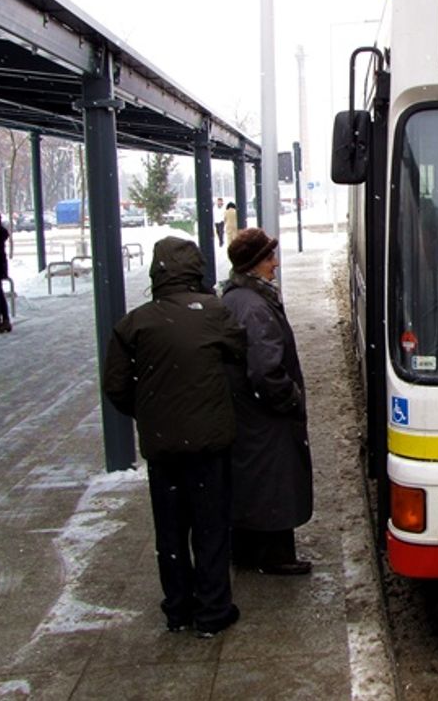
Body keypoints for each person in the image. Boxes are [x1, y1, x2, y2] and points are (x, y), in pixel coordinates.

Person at [103, 236, 246, 638]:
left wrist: (149, 412)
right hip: (208, 444)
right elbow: (239, 351)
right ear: (195, 270)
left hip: (163, 446)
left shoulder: (134, 323)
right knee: (210, 528)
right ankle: (213, 610)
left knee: (170, 530)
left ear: (157, 273)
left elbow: (115, 386)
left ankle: (178, 609)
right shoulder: (214, 312)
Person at [221, 228, 314, 576]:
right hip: (265, 415)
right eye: (268, 258)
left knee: (253, 480)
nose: (275, 263)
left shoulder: (237, 299)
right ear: (253, 265)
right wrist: (290, 398)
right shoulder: (255, 307)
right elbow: (265, 370)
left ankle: (247, 550)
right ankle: (276, 555)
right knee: (275, 479)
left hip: (246, 411)